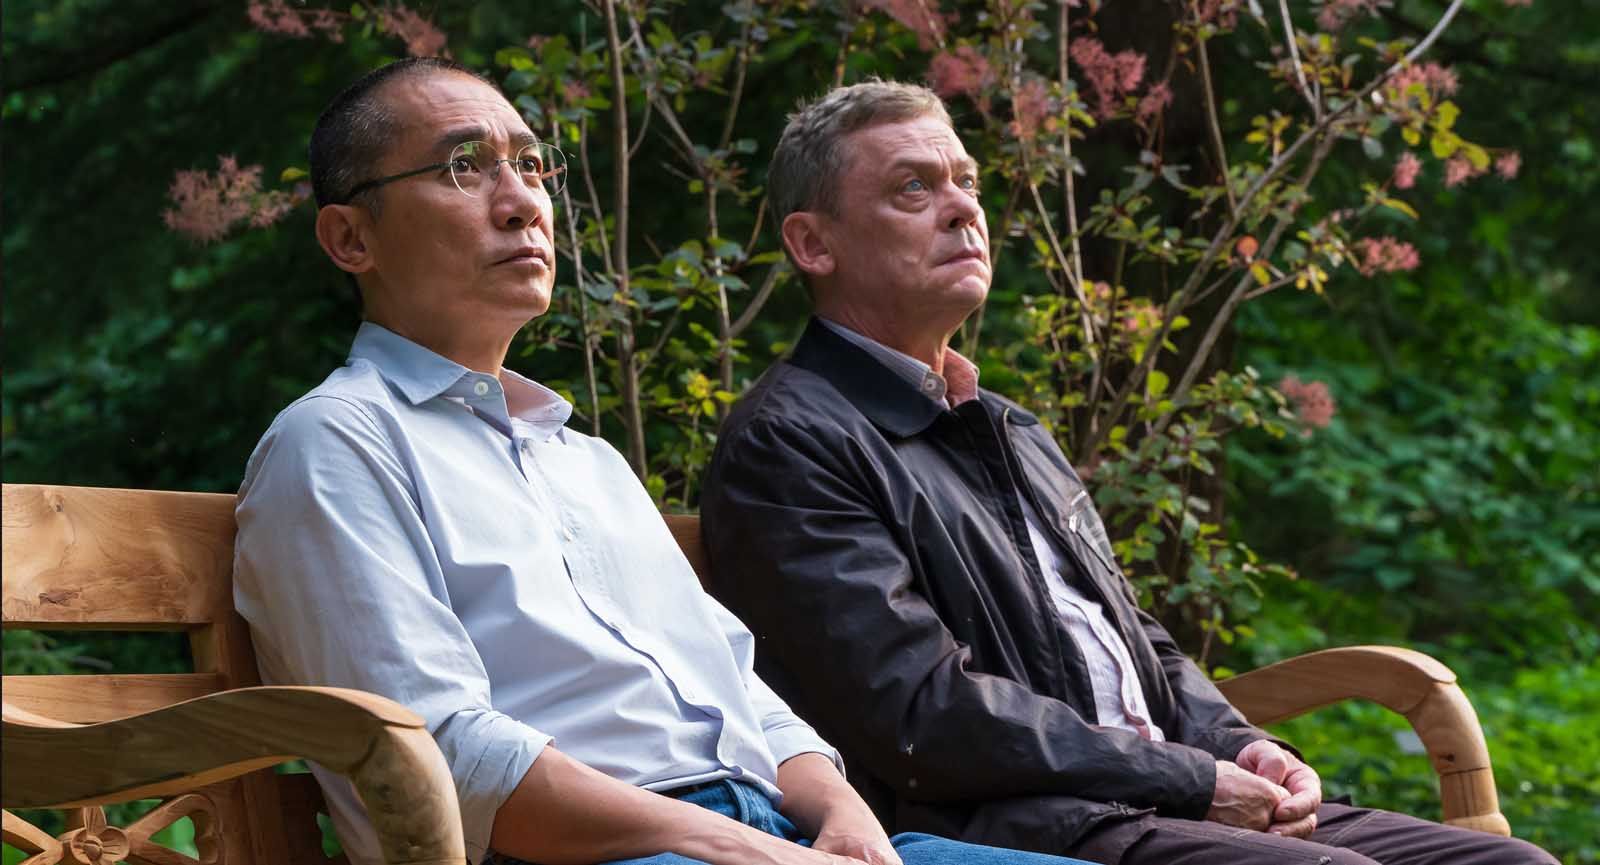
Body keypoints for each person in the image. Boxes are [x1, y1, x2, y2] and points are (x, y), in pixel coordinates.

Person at [233, 58, 1103, 865]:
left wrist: (842, 813)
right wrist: (737, 844)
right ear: (351, 238)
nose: (522, 201)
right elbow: (440, 755)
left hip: (765, 836)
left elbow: (738, 687)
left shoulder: (585, 461)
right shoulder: (337, 443)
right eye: (465, 166)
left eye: (531, 166)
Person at [698, 80, 1558, 865]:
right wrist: (1189, 777)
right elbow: (921, 714)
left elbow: (1134, 641)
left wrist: (1242, 745)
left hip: (1145, 795)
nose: (962, 208)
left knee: (1511, 864)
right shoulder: (791, 442)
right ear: (813, 244)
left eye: (966, 181)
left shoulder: (1008, 427)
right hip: (1004, 824)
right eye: (914, 189)